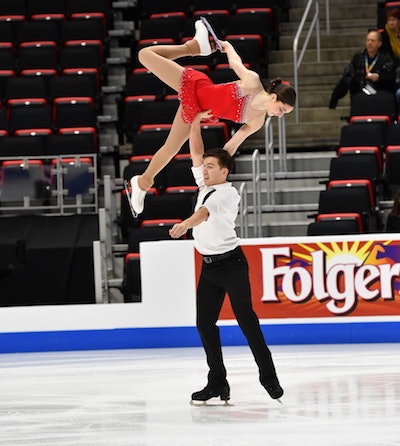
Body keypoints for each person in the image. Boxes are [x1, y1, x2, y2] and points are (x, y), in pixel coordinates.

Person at [169, 109, 283, 404]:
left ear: (224, 171)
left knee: (247, 320)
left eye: (209, 166)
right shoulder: (206, 184)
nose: (203, 170)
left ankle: (268, 376)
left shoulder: (226, 194)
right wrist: (193, 121)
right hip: (209, 269)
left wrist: (184, 225)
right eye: (203, 166)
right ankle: (217, 381)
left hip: (231, 265)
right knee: (204, 324)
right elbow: (195, 148)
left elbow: (203, 214)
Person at [127, 17, 296, 216]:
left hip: (197, 112)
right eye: (282, 110)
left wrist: (212, 168)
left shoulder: (257, 121)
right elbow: (235, 63)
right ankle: (192, 48)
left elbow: (230, 147)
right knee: (145, 54)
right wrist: (228, 47)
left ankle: (142, 183)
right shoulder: (252, 82)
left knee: (171, 148)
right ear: (274, 98)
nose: (280, 115)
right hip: (196, 86)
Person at [328, 30, 395, 109]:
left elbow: (391, 79)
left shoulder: (385, 59)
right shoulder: (358, 57)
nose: (370, 43)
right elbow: (348, 76)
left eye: (373, 41)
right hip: (360, 91)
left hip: (379, 93)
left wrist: (379, 78)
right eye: (368, 40)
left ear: (379, 44)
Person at [380, 8, 400, 110]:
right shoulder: (384, 36)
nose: (391, 22)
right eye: (389, 20)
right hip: (393, 67)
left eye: (394, 20)